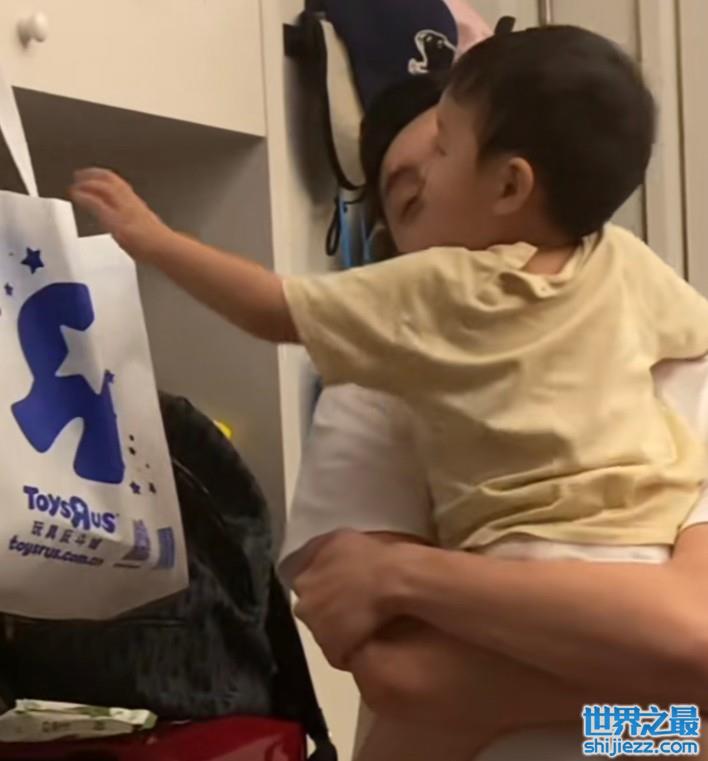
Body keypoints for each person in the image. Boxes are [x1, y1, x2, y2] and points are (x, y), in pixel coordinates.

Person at [71, 27, 708, 583]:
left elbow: (271, 307)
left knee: (418, 667)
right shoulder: (626, 264)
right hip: (648, 550)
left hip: (523, 555)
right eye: (407, 204)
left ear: (510, 185)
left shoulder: (444, 285)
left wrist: (158, 241)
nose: (427, 168)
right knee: (652, 682)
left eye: (442, 147)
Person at [281, 105, 708, 761]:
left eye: (451, 156)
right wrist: (662, 697)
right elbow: (405, 677)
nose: (438, 187)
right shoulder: (372, 389)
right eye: (411, 201)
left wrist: (402, 574)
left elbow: (697, 640)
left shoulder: (689, 370)